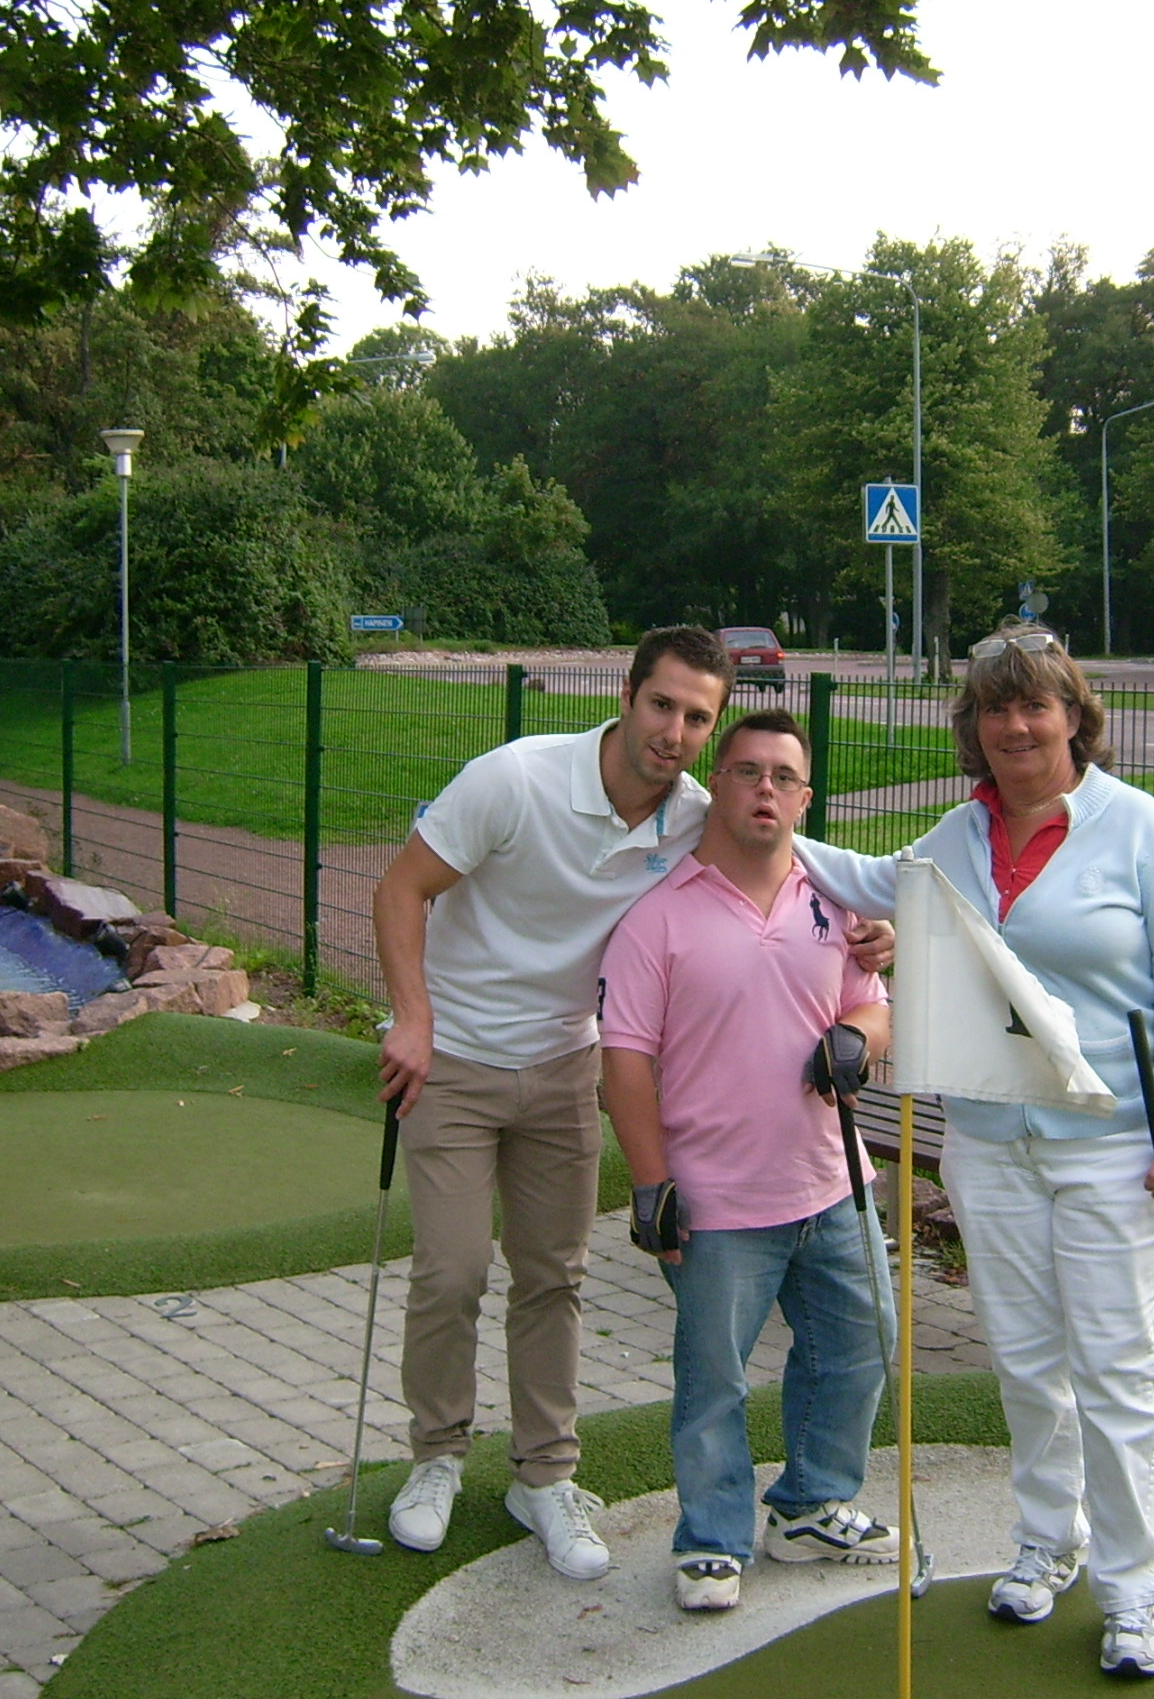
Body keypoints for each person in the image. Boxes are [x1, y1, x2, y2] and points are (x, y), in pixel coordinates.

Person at [370, 628, 890, 1581]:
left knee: (552, 1276)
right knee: (451, 1272)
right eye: (662, 706)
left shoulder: (692, 810)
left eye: (697, 717)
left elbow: (779, 831)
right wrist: (412, 1017)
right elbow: (403, 889)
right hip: (456, 1059)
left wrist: (872, 916)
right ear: (626, 694)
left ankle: (544, 1475)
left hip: (566, 1064)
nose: (674, 732)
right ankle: (437, 1456)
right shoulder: (516, 779)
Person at [793, 624, 1154, 1680]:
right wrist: (743, 813)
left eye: (1035, 705)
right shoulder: (956, 836)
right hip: (990, 1141)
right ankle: (1047, 1539)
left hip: (1115, 1148)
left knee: (1116, 1371)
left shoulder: (1142, 832)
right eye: (996, 708)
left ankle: (1133, 1590)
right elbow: (867, 878)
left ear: (1075, 716)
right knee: (1028, 1362)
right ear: (974, 728)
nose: (1016, 725)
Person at [598, 709, 898, 1612]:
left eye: (784, 776)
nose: (766, 788)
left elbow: (873, 1004)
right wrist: (649, 1183)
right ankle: (711, 1539)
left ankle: (810, 1507)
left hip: (834, 1184)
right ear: (717, 787)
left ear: (804, 799)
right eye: (748, 771)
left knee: (857, 1351)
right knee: (713, 1380)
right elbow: (626, 1061)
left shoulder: (833, 905)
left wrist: (858, 1036)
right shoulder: (657, 919)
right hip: (716, 1201)